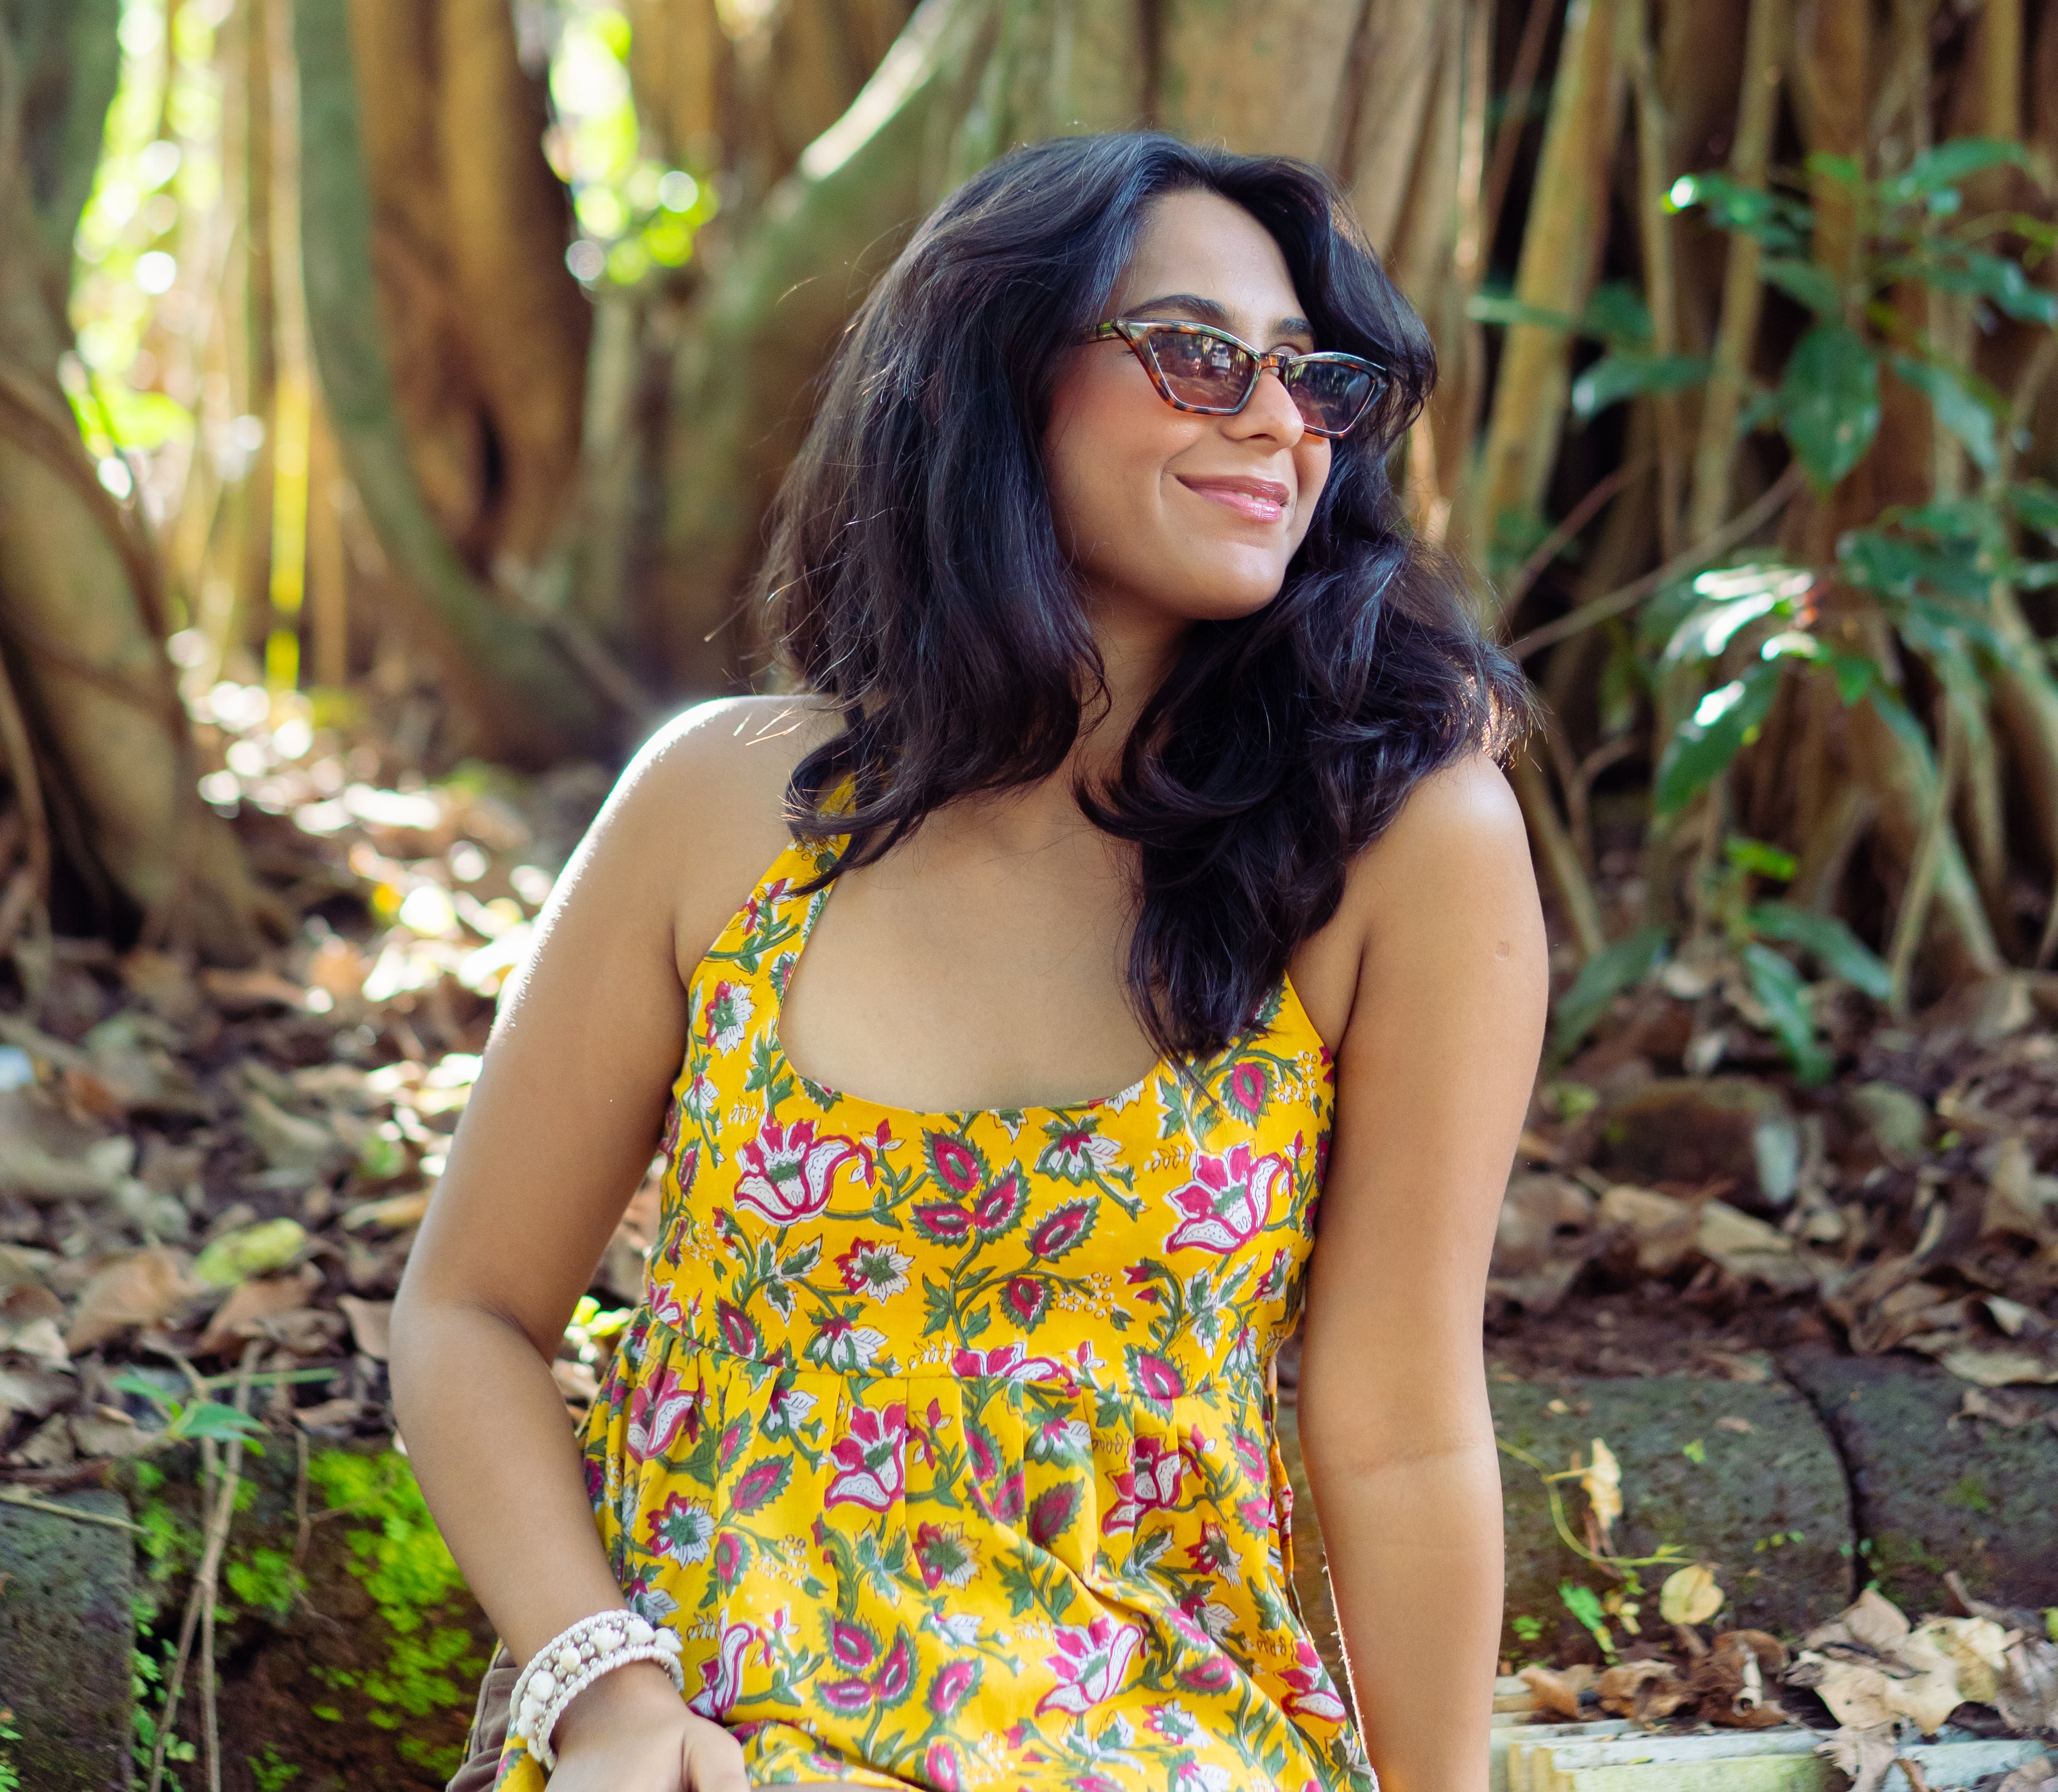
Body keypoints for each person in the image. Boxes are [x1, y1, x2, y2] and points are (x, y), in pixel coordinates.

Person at [395, 129, 1548, 1792]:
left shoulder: (1394, 840)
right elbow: (471, 1310)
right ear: (996, 376)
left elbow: (1402, 1422)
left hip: (1153, 1745)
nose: (1278, 420)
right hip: (710, 1746)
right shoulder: (722, 809)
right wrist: (607, 1689)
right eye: (1197, 352)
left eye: (1314, 377)